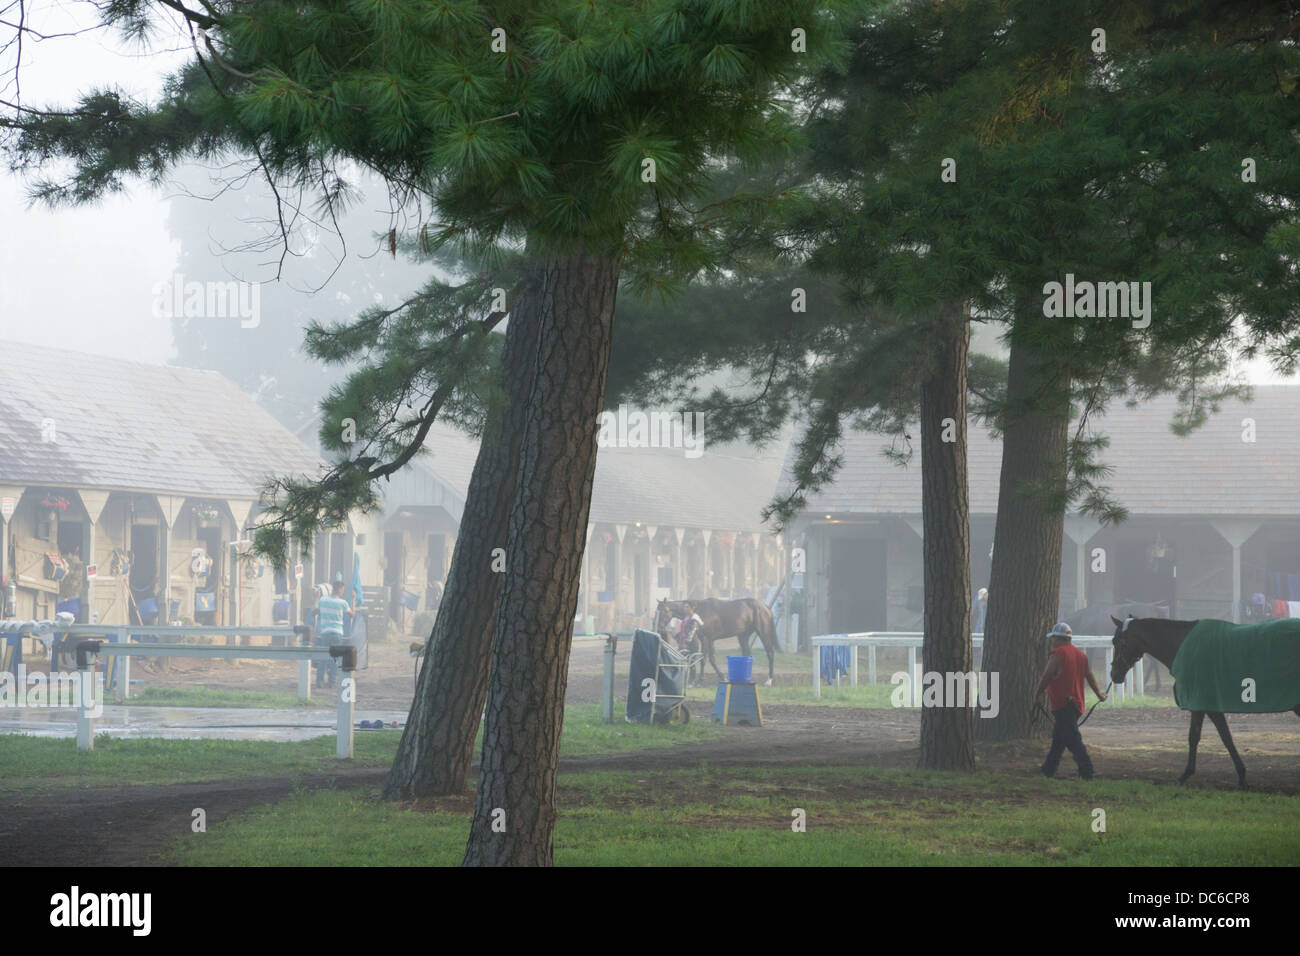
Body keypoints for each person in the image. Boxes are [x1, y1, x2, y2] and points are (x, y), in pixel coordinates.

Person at [1035, 622, 1105, 780]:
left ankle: (1087, 771)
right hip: (1077, 704)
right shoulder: (1081, 655)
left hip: (1062, 704)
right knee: (1058, 740)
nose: (1052, 641)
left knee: (1074, 741)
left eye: (1054, 638)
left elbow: (1047, 676)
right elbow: (1090, 676)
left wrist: (1037, 694)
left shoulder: (1057, 654)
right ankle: (1048, 770)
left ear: (1059, 638)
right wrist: (1099, 693)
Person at [314, 576, 354, 688]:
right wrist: (354, 600)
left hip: (325, 633)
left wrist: (316, 599)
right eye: (343, 590)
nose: (343, 592)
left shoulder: (323, 600)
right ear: (340, 589)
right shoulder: (343, 603)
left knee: (323, 658)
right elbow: (352, 614)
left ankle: (319, 681)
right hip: (337, 633)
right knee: (334, 659)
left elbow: (315, 611)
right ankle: (332, 681)